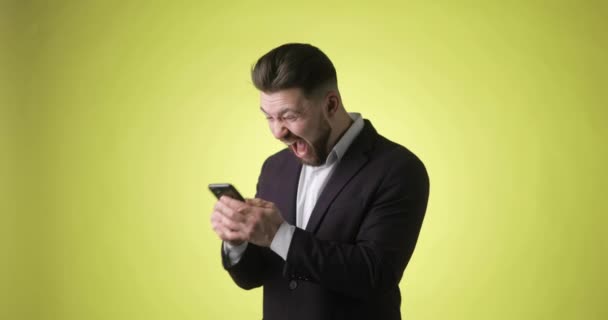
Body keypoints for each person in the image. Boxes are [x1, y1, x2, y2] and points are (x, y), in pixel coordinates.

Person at [210, 43, 430, 320]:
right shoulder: (274, 167)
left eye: (290, 116)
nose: (278, 132)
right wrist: (236, 240)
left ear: (330, 104)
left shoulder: (398, 168)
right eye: (269, 117)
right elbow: (254, 276)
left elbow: (375, 275)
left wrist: (279, 235)